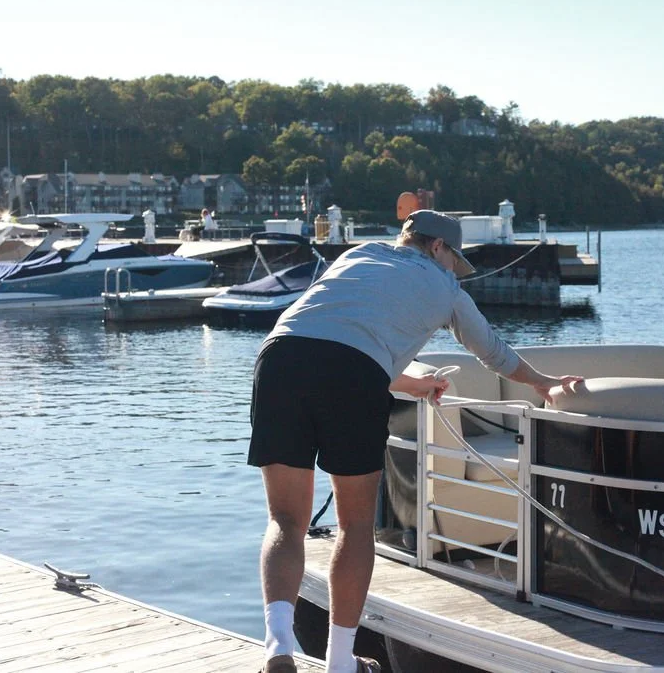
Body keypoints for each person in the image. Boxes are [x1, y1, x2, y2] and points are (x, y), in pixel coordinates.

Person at [249, 210, 583, 673]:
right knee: (354, 524)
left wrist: (412, 383)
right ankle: (341, 663)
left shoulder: (359, 254)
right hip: (350, 374)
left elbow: (335, 333)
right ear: (438, 247)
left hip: (280, 356)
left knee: (285, 518)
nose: (454, 270)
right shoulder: (447, 289)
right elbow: (495, 354)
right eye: (453, 260)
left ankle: (277, 650)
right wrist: (543, 383)